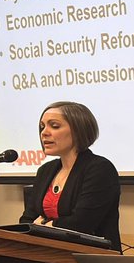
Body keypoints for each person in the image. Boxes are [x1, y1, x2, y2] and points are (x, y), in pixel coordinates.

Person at [20, 101, 121, 249]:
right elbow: (26, 221)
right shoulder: (45, 170)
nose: (44, 133)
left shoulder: (100, 169)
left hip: (92, 258)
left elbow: (81, 224)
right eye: (42, 127)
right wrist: (50, 226)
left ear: (79, 130)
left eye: (54, 126)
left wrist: (45, 225)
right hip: (47, 253)